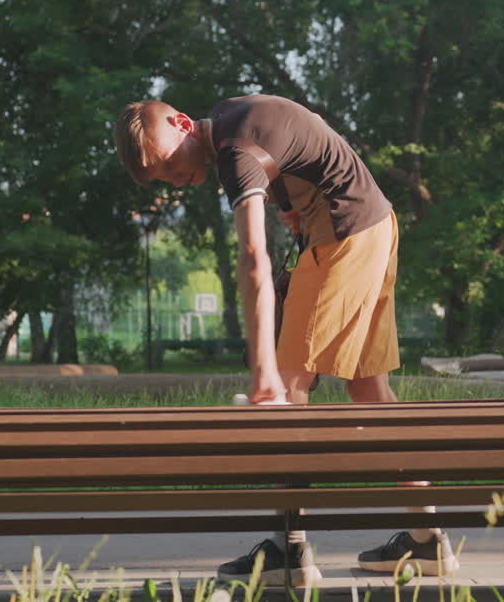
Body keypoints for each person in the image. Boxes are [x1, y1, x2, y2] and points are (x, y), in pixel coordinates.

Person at [113, 94, 457, 584]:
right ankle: (428, 541)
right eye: (163, 178)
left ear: (182, 123)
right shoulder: (240, 113)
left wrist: (265, 373)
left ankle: (288, 552)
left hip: (341, 234)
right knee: (371, 395)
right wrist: (291, 205)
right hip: (373, 223)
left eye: (169, 163)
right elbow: (308, 131)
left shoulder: (235, 153)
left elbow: (254, 259)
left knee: (287, 394)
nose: (176, 178)